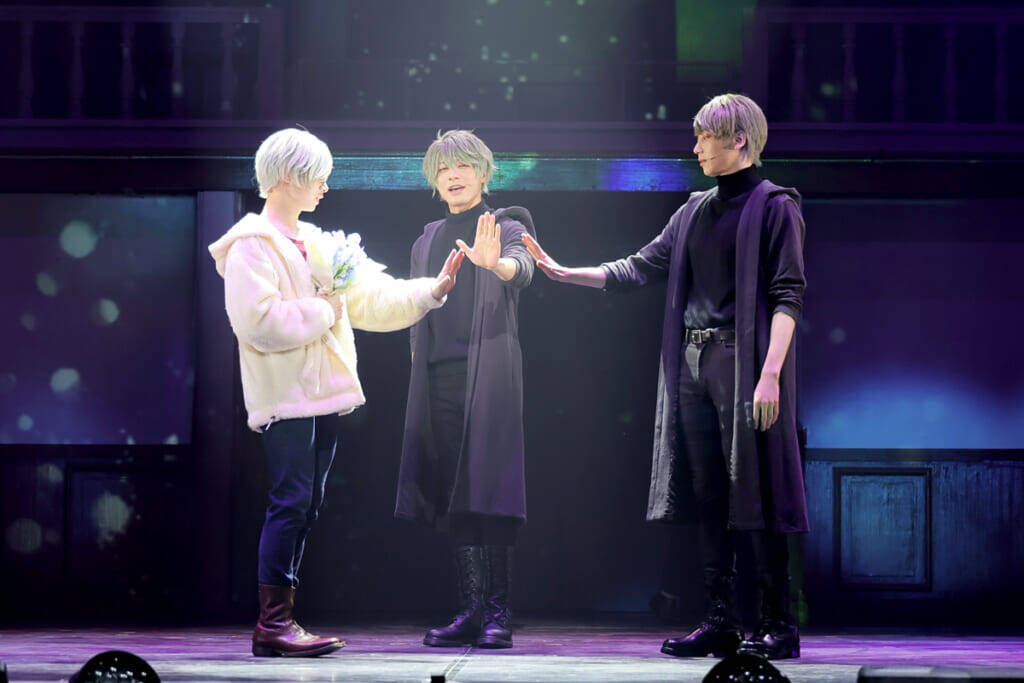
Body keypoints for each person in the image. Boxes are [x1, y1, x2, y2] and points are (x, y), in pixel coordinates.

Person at [522, 94, 808, 660]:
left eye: (705, 137)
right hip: (693, 364)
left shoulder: (776, 207)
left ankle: (778, 623)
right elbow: (637, 267)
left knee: (756, 491)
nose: (696, 147)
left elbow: (788, 295)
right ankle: (721, 620)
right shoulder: (693, 211)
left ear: (739, 140)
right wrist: (563, 272)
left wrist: (770, 374)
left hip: (743, 362)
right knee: (709, 495)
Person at [208, 128, 463, 657]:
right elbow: (259, 323)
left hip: (322, 396)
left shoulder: (318, 241)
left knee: (306, 504)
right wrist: (326, 309)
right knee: (290, 502)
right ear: (287, 177)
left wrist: (430, 291)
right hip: (285, 396)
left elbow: (370, 297)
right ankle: (272, 623)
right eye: (317, 177)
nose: (325, 186)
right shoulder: (251, 244)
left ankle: (281, 620)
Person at [395, 130, 536, 649]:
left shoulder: (505, 225)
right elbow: (415, 301)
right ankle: (471, 611)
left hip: (491, 376)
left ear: (483, 173)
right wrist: (416, 350)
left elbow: (522, 269)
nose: (452, 175)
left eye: (463, 166)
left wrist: (494, 262)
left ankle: (498, 614)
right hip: (438, 378)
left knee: (491, 491)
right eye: (443, 169)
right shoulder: (427, 238)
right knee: (455, 494)